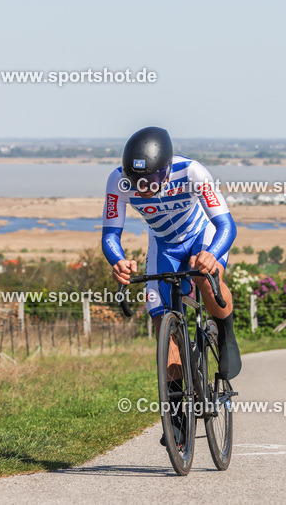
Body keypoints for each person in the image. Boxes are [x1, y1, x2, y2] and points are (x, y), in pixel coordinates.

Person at [101, 126, 242, 447]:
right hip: (163, 245)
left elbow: (226, 224)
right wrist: (118, 261)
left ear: (166, 170)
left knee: (203, 276)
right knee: (160, 319)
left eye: (151, 181)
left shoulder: (191, 172)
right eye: (138, 183)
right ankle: (178, 420)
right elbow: (110, 234)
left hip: (202, 236)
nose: (144, 189)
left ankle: (225, 335)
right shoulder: (117, 181)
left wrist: (213, 254)